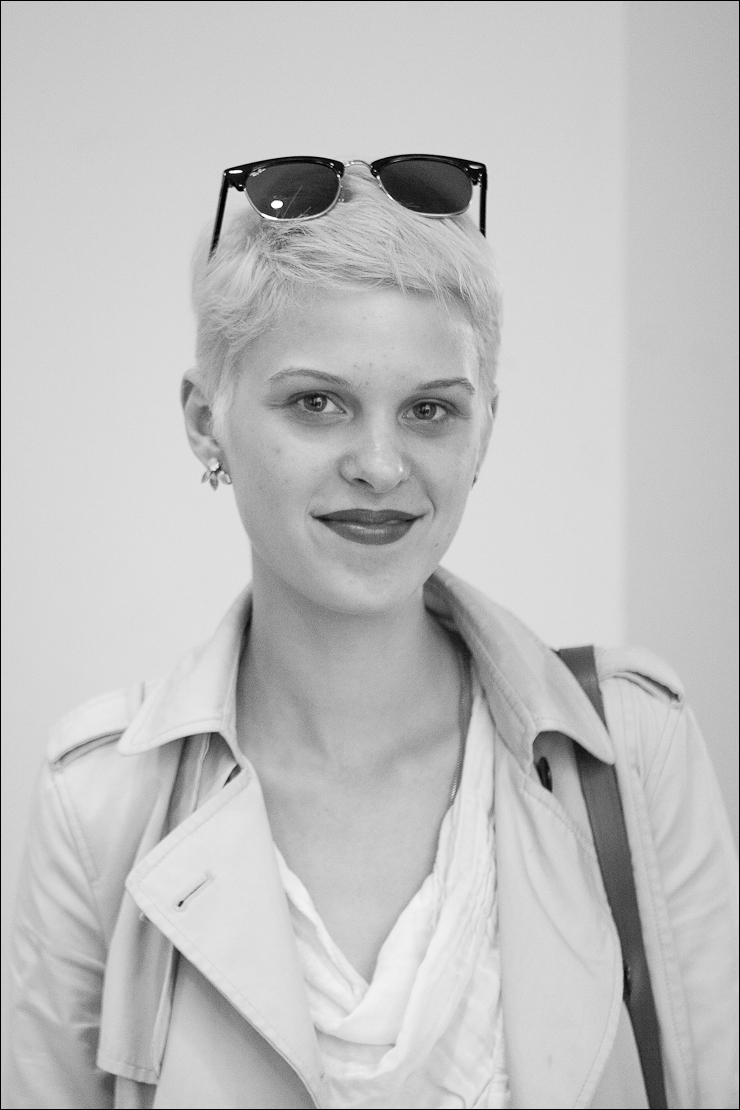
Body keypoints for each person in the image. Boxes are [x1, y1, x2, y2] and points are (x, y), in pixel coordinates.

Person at [6, 157, 738, 1110]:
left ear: (483, 430)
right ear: (205, 421)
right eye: (317, 402)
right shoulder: (99, 799)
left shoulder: (631, 747)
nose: (382, 466)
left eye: (430, 410)